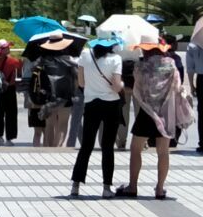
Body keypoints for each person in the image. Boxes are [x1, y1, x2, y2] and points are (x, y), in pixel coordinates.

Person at [116, 42, 194, 199]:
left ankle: (133, 186)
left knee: (136, 149)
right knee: (163, 152)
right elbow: (177, 87)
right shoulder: (171, 65)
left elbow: (138, 86)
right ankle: (159, 189)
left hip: (146, 112)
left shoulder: (141, 66)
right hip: (165, 113)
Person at [70, 37, 123, 198]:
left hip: (91, 103)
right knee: (107, 146)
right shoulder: (116, 59)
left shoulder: (85, 55)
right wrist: (122, 86)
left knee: (86, 146)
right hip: (111, 104)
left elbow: (81, 82)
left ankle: (76, 185)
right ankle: (106, 187)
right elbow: (116, 85)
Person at [34, 36, 78, 147]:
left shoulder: (42, 60)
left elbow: (35, 76)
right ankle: (57, 148)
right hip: (65, 95)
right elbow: (77, 77)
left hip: (48, 96)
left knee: (49, 124)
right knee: (62, 124)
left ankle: (48, 148)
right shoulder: (69, 60)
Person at [0, 40, 20, 145]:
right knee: (11, 113)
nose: (9, 49)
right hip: (10, 88)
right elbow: (19, 66)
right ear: (1, 50)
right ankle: (9, 138)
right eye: (6, 48)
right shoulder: (12, 61)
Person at [185, 32, 203, 154]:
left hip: (202, 79)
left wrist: (192, 86)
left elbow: (190, 69)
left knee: (202, 113)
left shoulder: (193, 46)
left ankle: (202, 143)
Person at [21, 58, 46, 147]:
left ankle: (36, 151)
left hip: (33, 106)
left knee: (37, 133)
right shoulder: (44, 76)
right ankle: (47, 152)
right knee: (46, 131)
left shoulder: (30, 79)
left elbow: (25, 92)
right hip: (45, 106)